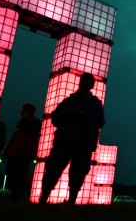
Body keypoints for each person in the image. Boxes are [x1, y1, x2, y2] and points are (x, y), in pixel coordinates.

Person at [40, 72, 105, 205]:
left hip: (82, 144)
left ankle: (71, 200)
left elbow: (100, 122)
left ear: (91, 85)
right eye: (82, 81)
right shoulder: (69, 101)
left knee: (77, 174)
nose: (84, 84)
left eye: (87, 82)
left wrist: (84, 116)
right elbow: (55, 119)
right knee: (53, 171)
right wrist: (64, 113)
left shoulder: (95, 104)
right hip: (65, 141)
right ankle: (43, 198)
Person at [3, 103, 42, 203]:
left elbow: (27, 133)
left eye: (22, 110)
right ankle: (14, 197)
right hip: (14, 154)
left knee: (19, 175)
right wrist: (6, 154)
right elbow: (13, 140)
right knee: (11, 174)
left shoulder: (34, 124)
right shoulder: (22, 124)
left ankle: (19, 198)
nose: (20, 112)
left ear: (28, 112)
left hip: (24, 153)